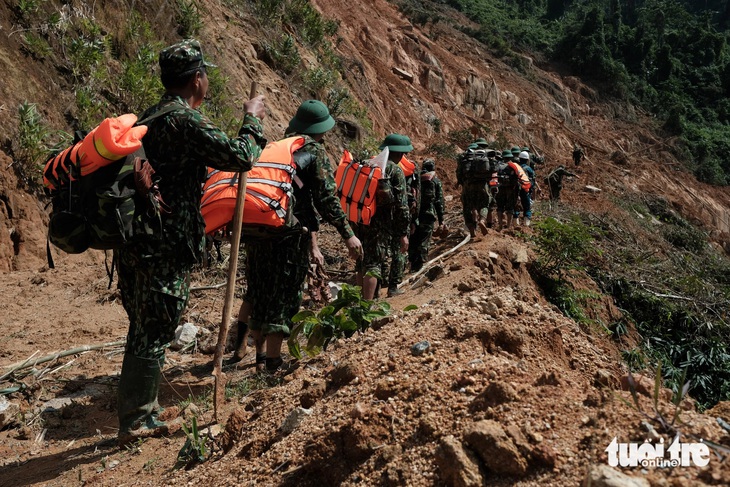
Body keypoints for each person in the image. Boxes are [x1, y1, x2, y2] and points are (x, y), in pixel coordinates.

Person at [115, 39, 266, 446]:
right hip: (163, 243)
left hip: (136, 240)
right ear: (196, 79)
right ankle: (135, 420)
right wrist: (252, 120)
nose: (208, 79)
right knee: (156, 324)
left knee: (144, 323)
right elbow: (241, 156)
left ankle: (138, 408)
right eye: (206, 74)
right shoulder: (184, 121)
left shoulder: (152, 115)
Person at [232, 100, 362, 370]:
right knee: (285, 296)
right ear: (321, 129)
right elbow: (326, 198)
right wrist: (347, 233)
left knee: (258, 290)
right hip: (288, 234)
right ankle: (273, 362)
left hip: (257, 227)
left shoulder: (277, 148)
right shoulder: (313, 151)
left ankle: (258, 357)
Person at [356, 134, 410, 299]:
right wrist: (403, 233)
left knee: (361, 263)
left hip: (360, 219)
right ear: (400, 154)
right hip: (380, 226)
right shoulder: (395, 170)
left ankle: (359, 300)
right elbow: (402, 205)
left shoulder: (368, 164)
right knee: (374, 265)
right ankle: (366, 307)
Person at [408, 158, 445, 272]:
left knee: (414, 238)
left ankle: (413, 263)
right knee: (424, 239)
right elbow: (439, 201)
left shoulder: (415, 178)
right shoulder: (435, 181)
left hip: (414, 214)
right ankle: (420, 265)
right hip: (428, 214)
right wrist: (441, 220)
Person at [456, 144, 492, 237]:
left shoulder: (465, 160)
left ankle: (472, 230)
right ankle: (482, 220)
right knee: (484, 204)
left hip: (468, 186)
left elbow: (459, 174)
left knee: (467, 207)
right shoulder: (483, 157)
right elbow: (491, 171)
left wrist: (461, 182)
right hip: (482, 185)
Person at [513, 151, 536, 226]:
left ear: (519, 159)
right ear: (527, 160)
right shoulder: (529, 169)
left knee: (516, 205)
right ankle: (526, 224)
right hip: (526, 190)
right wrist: (532, 191)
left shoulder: (516, 167)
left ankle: (515, 222)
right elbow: (532, 181)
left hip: (516, 189)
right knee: (526, 206)